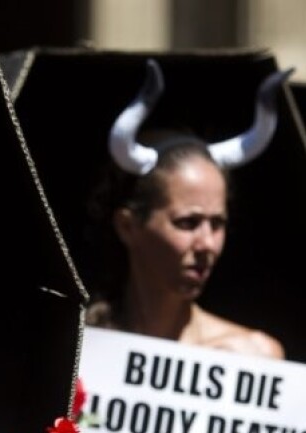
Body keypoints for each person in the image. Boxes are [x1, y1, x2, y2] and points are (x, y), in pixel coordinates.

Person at [84, 59, 289, 359]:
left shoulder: (251, 357)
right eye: (187, 222)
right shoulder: (82, 349)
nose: (207, 244)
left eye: (217, 223)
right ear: (128, 227)